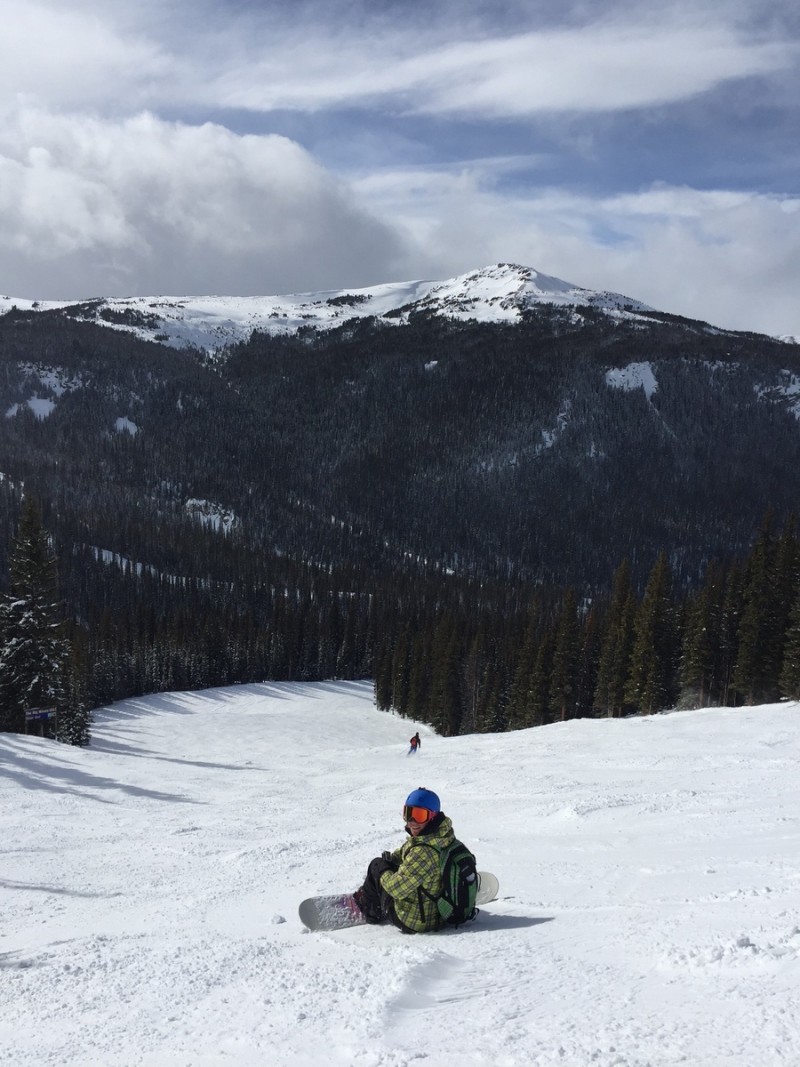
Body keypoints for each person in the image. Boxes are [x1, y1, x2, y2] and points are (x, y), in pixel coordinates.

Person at [352, 787, 455, 934]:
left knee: (376, 865)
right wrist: (391, 861)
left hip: (416, 921)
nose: (412, 821)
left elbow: (395, 890)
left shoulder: (423, 852)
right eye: (408, 813)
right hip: (437, 912)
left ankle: (370, 910)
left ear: (432, 816)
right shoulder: (440, 837)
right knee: (387, 865)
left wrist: (383, 870)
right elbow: (405, 853)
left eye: (419, 815)